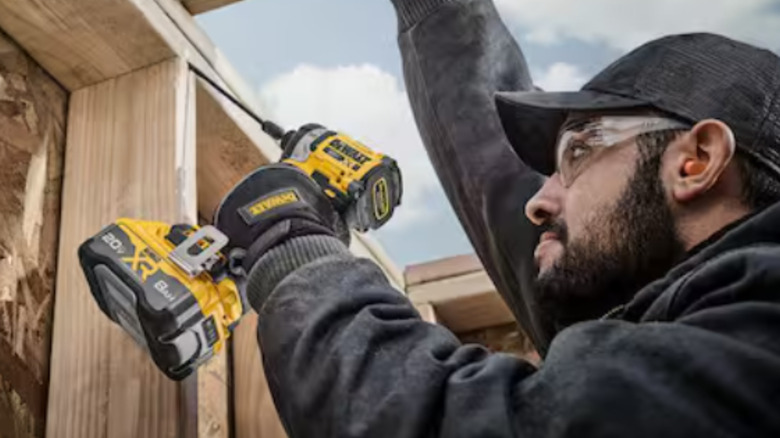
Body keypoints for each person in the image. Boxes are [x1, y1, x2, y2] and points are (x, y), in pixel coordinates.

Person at [215, 0, 780, 436]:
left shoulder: (757, 344)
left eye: (577, 154)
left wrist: (296, 257)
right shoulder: (664, 314)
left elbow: (474, 422)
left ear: (696, 162)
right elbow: (501, 177)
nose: (541, 200)